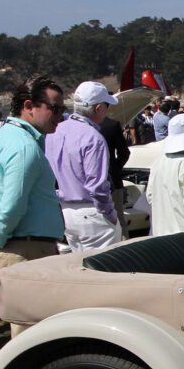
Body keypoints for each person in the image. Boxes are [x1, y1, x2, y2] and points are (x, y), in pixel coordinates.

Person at [0, 77, 68, 338]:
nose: (60, 116)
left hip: (19, 247)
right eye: (55, 109)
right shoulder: (23, 146)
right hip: (26, 250)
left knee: (30, 329)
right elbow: (10, 206)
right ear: (30, 106)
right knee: (33, 333)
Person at [48, 81, 122, 252]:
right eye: (106, 106)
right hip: (92, 211)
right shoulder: (93, 137)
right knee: (105, 271)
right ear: (98, 108)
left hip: (66, 210)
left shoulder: (55, 131)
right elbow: (97, 186)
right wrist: (110, 214)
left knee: (80, 268)